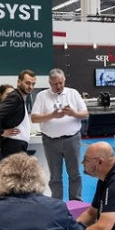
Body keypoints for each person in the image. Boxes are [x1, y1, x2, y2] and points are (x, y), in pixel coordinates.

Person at [31, 69, 88, 201]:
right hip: (50, 141)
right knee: (55, 177)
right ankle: (57, 203)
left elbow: (85, 114)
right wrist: (52, 115)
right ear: (49, 83)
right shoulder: (42, 96)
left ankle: (76, 202)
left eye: (61, 83)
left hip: (72, 139)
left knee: (75, 174)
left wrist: (73, 113)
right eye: (55, 84)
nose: (58, 86)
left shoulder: (73, 93)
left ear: (64, 81)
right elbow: (34, 118)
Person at [0, 70, 35, 173]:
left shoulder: (19, 98)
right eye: (27, 83)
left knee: (10, 179)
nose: (30, 86)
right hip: (12, 146)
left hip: (15, 145)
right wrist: (2, 132)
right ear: (19, 82)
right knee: (9, 179)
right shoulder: (15, 98)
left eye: (33, 84)